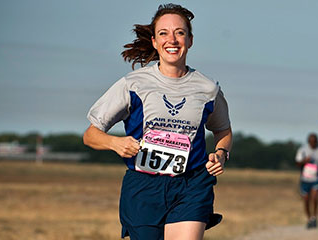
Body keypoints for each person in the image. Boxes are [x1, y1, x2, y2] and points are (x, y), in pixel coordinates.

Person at [83, 4, 232, 240]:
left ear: (190, 40)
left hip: (191, 184)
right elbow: (91, 135)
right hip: (144, 187)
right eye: (163, 33)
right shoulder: (133, 84)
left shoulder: (208, 89)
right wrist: (116, 143)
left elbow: (222, 128)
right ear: (154, 41)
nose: (172, 39)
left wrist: (221, 153)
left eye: (180, 32)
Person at [295, 133, 318, 229]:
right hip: (305, 179)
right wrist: (305, 161)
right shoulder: (302, 150)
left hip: (316, 178)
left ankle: (314, 217)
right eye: (311, 142)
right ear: (308, 142)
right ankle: (309, 219)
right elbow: (297, 162)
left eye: (314, 142)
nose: (313, 144)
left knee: (315, 197)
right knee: (306, 199)